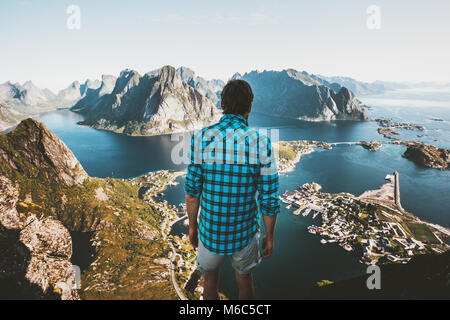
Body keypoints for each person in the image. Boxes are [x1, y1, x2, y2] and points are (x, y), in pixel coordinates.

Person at [184, 79, 280, 300]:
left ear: (222, 104)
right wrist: (270, 236)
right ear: (250, 106)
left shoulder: (201, 138)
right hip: (245, 236)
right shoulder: (261, 142)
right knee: (244, 282)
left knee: (209, 282)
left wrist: (192, 226)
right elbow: (269, 199)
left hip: (210, 234)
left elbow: (192, 192)